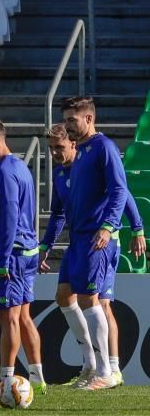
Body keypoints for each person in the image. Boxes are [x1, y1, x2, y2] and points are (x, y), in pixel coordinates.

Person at [40, 124, 145, 387]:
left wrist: (137, 228)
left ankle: (111, 368)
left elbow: (123, 193)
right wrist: (46, 246)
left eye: (59, 147)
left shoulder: (91, 166)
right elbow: (58, 213)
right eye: (51, 148)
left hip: (103, 240)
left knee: (101, 303)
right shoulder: (60, 173)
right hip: (78, 241)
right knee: (64, 296)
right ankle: (89, 364)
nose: (54, 152)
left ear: (73, 144)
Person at [0, 118, 47, 395]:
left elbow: (12, 215)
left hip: (12, 254)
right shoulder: (19, 167)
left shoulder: (4, 171)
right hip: (27, 250)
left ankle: (7, 380)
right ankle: (38, 378)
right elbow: (14, 217)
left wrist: (0, 257)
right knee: (24, 316)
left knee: (9, 318)